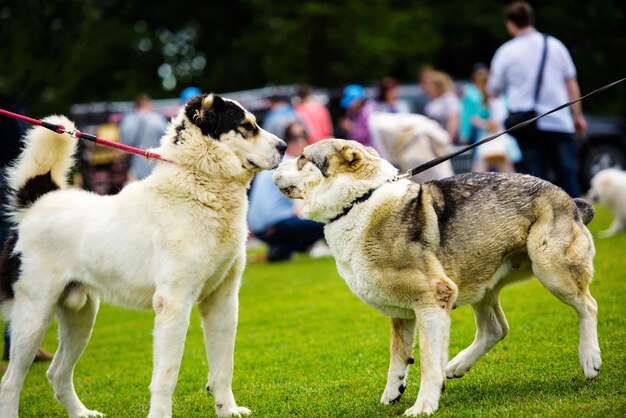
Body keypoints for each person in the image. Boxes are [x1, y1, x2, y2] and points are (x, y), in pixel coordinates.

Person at [487, 1, 586, 197]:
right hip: (558, 120)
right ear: (531, 19)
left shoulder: (506, 52)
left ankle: (543, 224)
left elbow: (493, 90)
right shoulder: (555, 45)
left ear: (510, 24)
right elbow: (571, 85)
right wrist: (577, 116)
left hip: (526, 124)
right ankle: (578, 221)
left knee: (535, 180)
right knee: (566, 173)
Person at [0, 96, 53, 372]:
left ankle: (19, 344)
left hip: (7, 178)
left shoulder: (10, 104)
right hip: (5, 179)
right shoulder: (9, 107)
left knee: (17, 261)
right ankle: (19, 344)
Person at [248, 122, 327, 262]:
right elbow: (302, 207)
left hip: (258, 228)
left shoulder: (275, 162)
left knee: (309, 227)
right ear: (286, 141)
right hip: (277, 225)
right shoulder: (293, 165)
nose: (300, 141)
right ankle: (286, 248)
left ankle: (281, 250)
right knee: (327, 223)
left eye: (303, 135)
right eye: (294, 137)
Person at [119, 94, 168, 181]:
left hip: (136, 170)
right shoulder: (158, 120)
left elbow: (123, 150)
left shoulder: (127, 122)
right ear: (148, 104)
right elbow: (168, 141)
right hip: (157, 168)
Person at [423, 70, 462, 145]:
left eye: (430, 84)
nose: (428, 87)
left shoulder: (449, 99)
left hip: (445, 142)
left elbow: (453, 121)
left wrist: (448, 142)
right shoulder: (433, 100)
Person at [338, 84, 378, 149]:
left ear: (359, 99)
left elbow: (365, 135)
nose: (350, 106)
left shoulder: (368, 112)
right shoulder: (353, 110)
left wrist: (350, 128)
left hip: (370, 151)